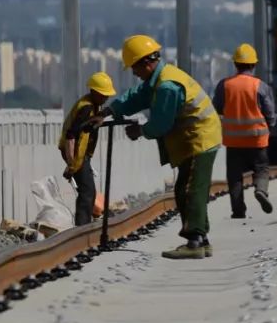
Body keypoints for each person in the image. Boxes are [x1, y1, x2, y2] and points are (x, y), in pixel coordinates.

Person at [94, 35, 222, 260]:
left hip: (199, 139)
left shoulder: (167, 87)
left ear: (146, 62)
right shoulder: (160, 78)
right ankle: (202, 240)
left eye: (134, 67)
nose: (134, 73)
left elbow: (162, 123)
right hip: (195, 138)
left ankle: (195, 242)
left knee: (189, 190)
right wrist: (110, 111)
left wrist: (140, 131)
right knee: (189, 189)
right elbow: (137, 96)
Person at [213, 43, 277, 218]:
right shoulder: (261, 86)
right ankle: (261, 190)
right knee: (262, 169)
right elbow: (270, 113)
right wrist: (269, 127)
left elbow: (217, 108)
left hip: (233, 141)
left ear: (235, 64)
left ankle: (238, 210)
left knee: (234, 176)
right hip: (257, 139)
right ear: (253, 64)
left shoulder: (224, 85)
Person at [59, 72, 116, 226]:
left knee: (88, 190)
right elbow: (71, 135)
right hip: (77, 154)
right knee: (87, 192)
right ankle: (82, 228)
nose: (106, 98)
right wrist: (72, 163)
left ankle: (85, 225)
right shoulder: (86, 108)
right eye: (104, 95)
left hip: (81, 154)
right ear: (95, 92)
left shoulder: (93, 105)